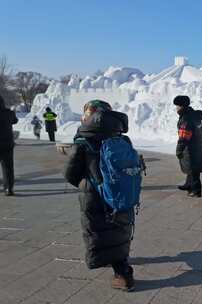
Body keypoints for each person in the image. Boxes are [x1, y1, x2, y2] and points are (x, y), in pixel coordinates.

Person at [64, 100, 135, 291]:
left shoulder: (83, 141)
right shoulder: (122, 138)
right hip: (122, 195)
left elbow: (70, 175)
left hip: (94, 196)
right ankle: (122, 268)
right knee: (119, 230)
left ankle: (123, 275)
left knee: (98, 231)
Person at [174, 95, 202, 197]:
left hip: (190, 147)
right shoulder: (194, 115)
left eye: (177, 106)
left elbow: (184, 137)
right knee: (192, 167)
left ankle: (196, 190)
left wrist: (179, 150)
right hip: (197, 145)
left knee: (193, 169)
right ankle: (188, 184)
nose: (176, 108)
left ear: (182, 106)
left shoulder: (186, 119)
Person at [0, 95, 18, 196]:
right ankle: (9, 188)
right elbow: (15, 121)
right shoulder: (9, 113)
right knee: (8, 167)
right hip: (7, 144)